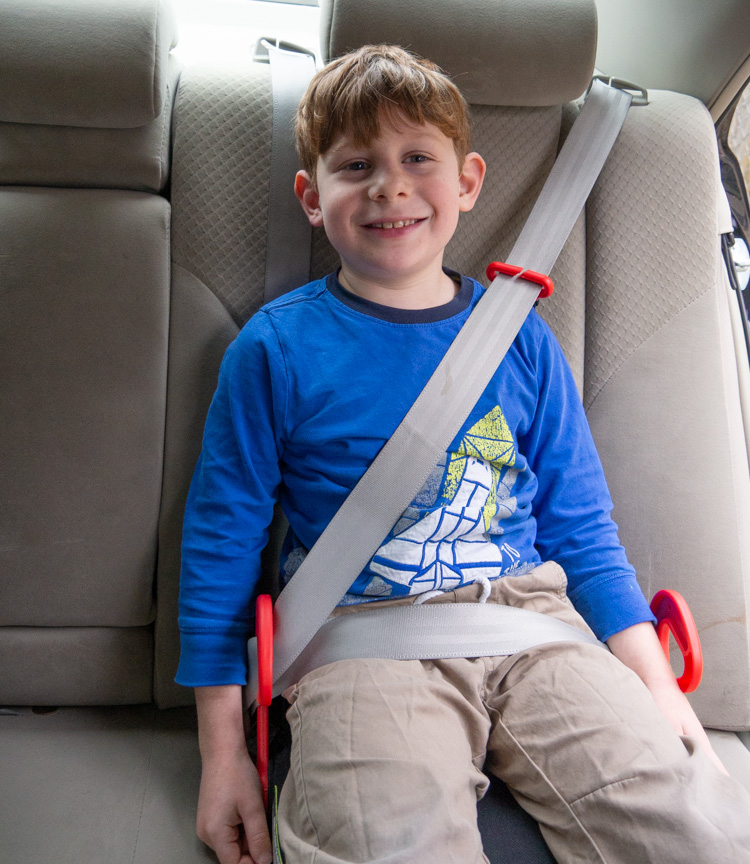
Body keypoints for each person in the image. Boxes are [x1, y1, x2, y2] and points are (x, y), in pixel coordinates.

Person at [177, 44, 750, 864]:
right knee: (377, 842)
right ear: (312, 196)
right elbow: (221, 548)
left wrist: (656, 687)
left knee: (691, 826)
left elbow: (583, 529)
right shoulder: (276, 349)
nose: (391, 187)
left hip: (533, 624)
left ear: (469, 181)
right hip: (360, 635)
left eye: (418, 159)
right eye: (355, 166)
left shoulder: (521, 341)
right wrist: (223, 754)